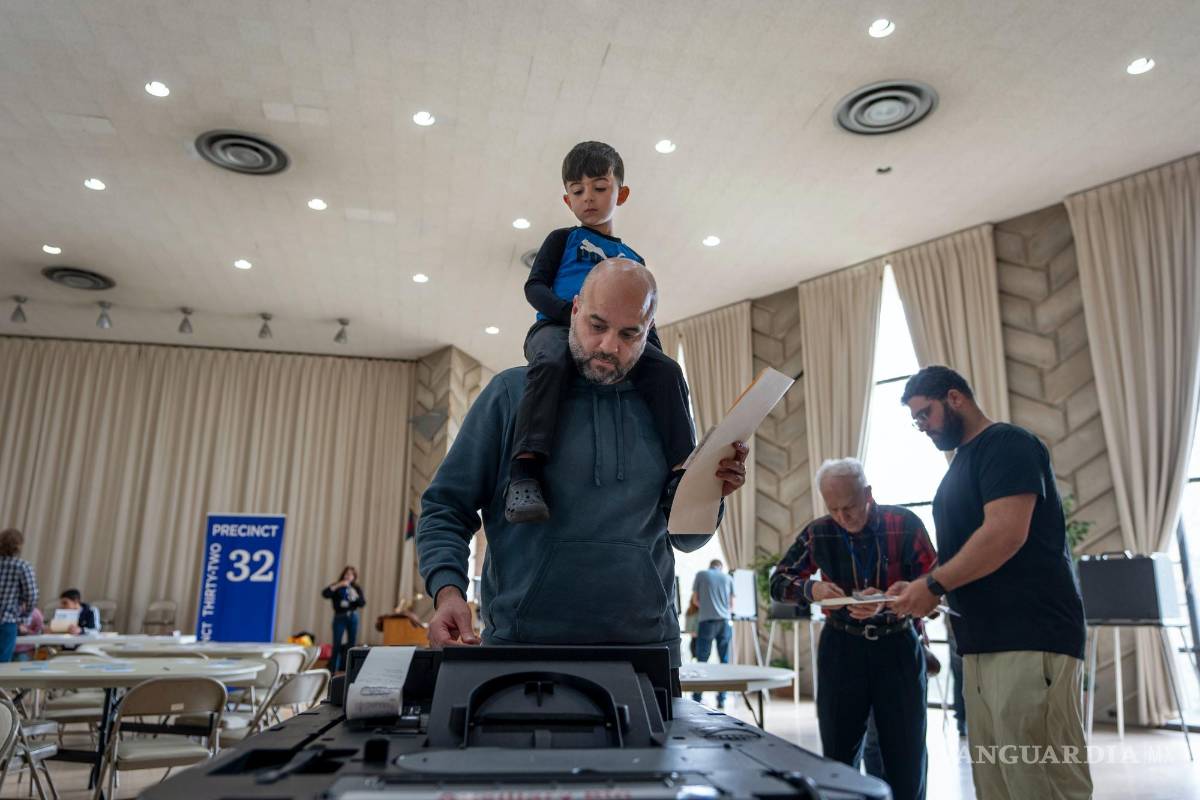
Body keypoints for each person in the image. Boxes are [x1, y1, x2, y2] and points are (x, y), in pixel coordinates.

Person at [418, 258, 749, 672]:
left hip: (647, 653)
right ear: (573, 310)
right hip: (523, 649)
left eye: (630, 333)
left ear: (649, 331)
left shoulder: (666, 407)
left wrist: (709, 494)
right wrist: (447, 591)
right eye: (597, 325)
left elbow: (686, 540)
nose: (610, 346)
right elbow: (446, 507)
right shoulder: (509, 395)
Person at [889, 365, 1092, 800]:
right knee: (997, 784)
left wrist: (936, 584)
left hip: (1030, 633)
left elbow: (1005, 534)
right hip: (981, 641)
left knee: (1039, 783)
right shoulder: (960, 466)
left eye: (925, 414)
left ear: (955, 397)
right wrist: (919, 585)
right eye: (916, 420)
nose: (922, 427)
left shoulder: (1008, 444)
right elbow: (966, 548)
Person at [507, 141, 695, 524]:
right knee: (551, 360)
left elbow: (645, 318)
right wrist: (570, 316)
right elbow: (535, 287)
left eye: (599, 187)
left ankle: (682, 472)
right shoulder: (562, 240)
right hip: (556, 328)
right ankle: (525, 470)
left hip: (617, 335)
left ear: (620, 193)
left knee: (669, 372)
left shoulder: (634, 260)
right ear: (567, 200)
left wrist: (650, 352)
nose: (587, 198)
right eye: (577, 191)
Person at [770, 458, 936, 800]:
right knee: (838, 753)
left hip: (897, 644)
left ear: (868, 494)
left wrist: (907, 590)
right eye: (835, 509)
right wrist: (810, 589)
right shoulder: (818, 531)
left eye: (851, 506)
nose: (844, 518)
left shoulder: (903, 523)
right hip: (841, 647)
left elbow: (937, 579)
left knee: (906, 756)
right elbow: (778, 581)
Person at [689, 559, 735, 708]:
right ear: (720, 567)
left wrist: (707, 607)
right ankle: (721, 699)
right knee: (724, 661)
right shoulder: (728, 578)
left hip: (706, 622)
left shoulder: (701, 575)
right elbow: (732, 605)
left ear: (710, 566)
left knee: (702, 660)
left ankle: (697, 698)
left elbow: (695, 600)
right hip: (724, 622)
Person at [0, 529, 38, 662]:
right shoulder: (23, 566)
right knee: (2, 663)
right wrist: (25, 616)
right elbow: (32, 595)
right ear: (19, 546)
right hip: (7, 620)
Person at [322, 566, 365, 673]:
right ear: (343, 574)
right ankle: (332, 670)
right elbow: (325, 594)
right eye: (346, 573)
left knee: (352, 644)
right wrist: (338, 585)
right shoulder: (337, 585)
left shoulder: (356, 588)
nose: (348, 576)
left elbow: (362, 603)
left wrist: (355, 595)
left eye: (351, 574)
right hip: (339, 617)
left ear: (354, 577)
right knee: (336, 643)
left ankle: (350, 670)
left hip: (352, 616)